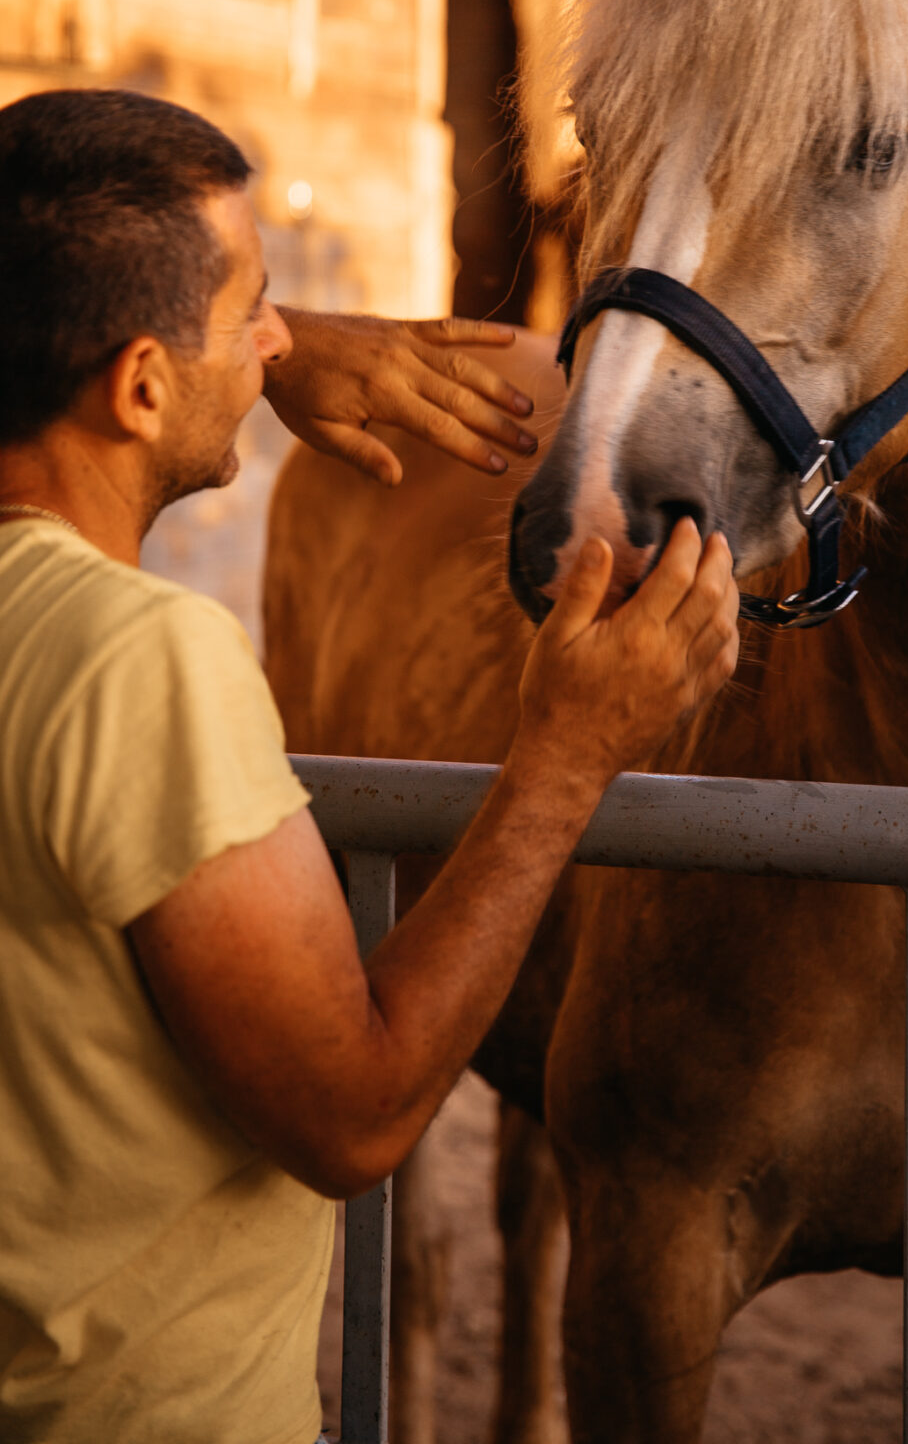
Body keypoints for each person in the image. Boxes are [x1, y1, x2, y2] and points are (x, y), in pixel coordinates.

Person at [0, 89, 740, 1444]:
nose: (286, 348)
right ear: (143, 383)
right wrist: (564, 759)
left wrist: (263, 353)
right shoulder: (142, 665)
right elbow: (352, 1114)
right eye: (258, 313)